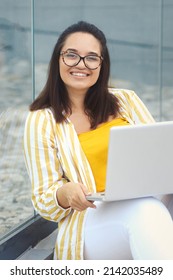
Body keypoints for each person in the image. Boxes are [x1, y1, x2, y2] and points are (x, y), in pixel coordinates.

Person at [23, 21, 173, 260]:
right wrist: (65, 192)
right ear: (57, 60)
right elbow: (43, 201)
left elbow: (158, 155)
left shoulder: (126, 100)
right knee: (147, 212)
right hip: (92, 222)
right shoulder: (41, 120)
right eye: (72, 55)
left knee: (149, 208)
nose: (81, 65)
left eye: (92, 58)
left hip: (149, 199)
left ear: (102, 65)